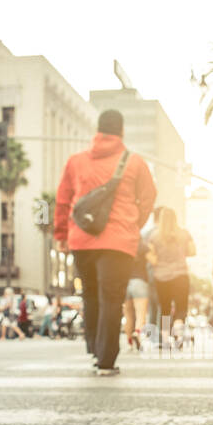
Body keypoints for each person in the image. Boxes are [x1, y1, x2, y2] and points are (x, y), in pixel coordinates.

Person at [54, 108, 157, 375]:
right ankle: (106, 360)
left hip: (82, 239)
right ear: (121, 131)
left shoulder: (76, 161)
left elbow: (63, 199)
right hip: (118, 241)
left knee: (90, 295)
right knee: (112, 298)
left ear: (98, 131)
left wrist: (61, 235)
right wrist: (134, 222)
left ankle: (95, 349)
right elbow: (149, 196)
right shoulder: (134, 162)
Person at [148, 206, 196, 346]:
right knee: (181, 308)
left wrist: (161, 259)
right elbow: (193, 251)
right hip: (180, 275)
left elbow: (152, 258)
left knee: (164, 307)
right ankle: (178, 330)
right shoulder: (184, 233)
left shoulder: (154, 236)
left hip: (161, 276)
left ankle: (165, 339)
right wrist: (180, 253)